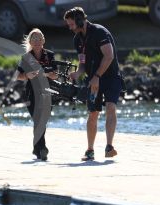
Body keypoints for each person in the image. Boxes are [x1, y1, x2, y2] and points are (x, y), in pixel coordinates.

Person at [64, 7, 122, 161]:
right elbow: (82, 62)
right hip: (93, 79)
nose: (69, 28)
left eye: (71, 24)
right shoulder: (78, 39)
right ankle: (90, 150)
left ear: (79, 21)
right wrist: (77, 73)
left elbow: (109, 56)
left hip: (110, 77)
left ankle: (109, 147)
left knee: (111, 106)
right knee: (93, 113)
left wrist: (97, 76)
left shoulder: (100, 32)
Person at [16, 28, 58, 161]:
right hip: (31, 93)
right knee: (37, 119)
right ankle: (42, 148)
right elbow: (18, 76)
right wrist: (27, 75)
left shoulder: (50, 55)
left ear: (43, 41)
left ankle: (37, 148)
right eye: (34, 39)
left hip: (47, 92)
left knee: (42, 120)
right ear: (30, 41)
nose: (37, 41)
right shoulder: (26, 57)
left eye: (39, 38)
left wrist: (48, 75)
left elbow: (56, 74)